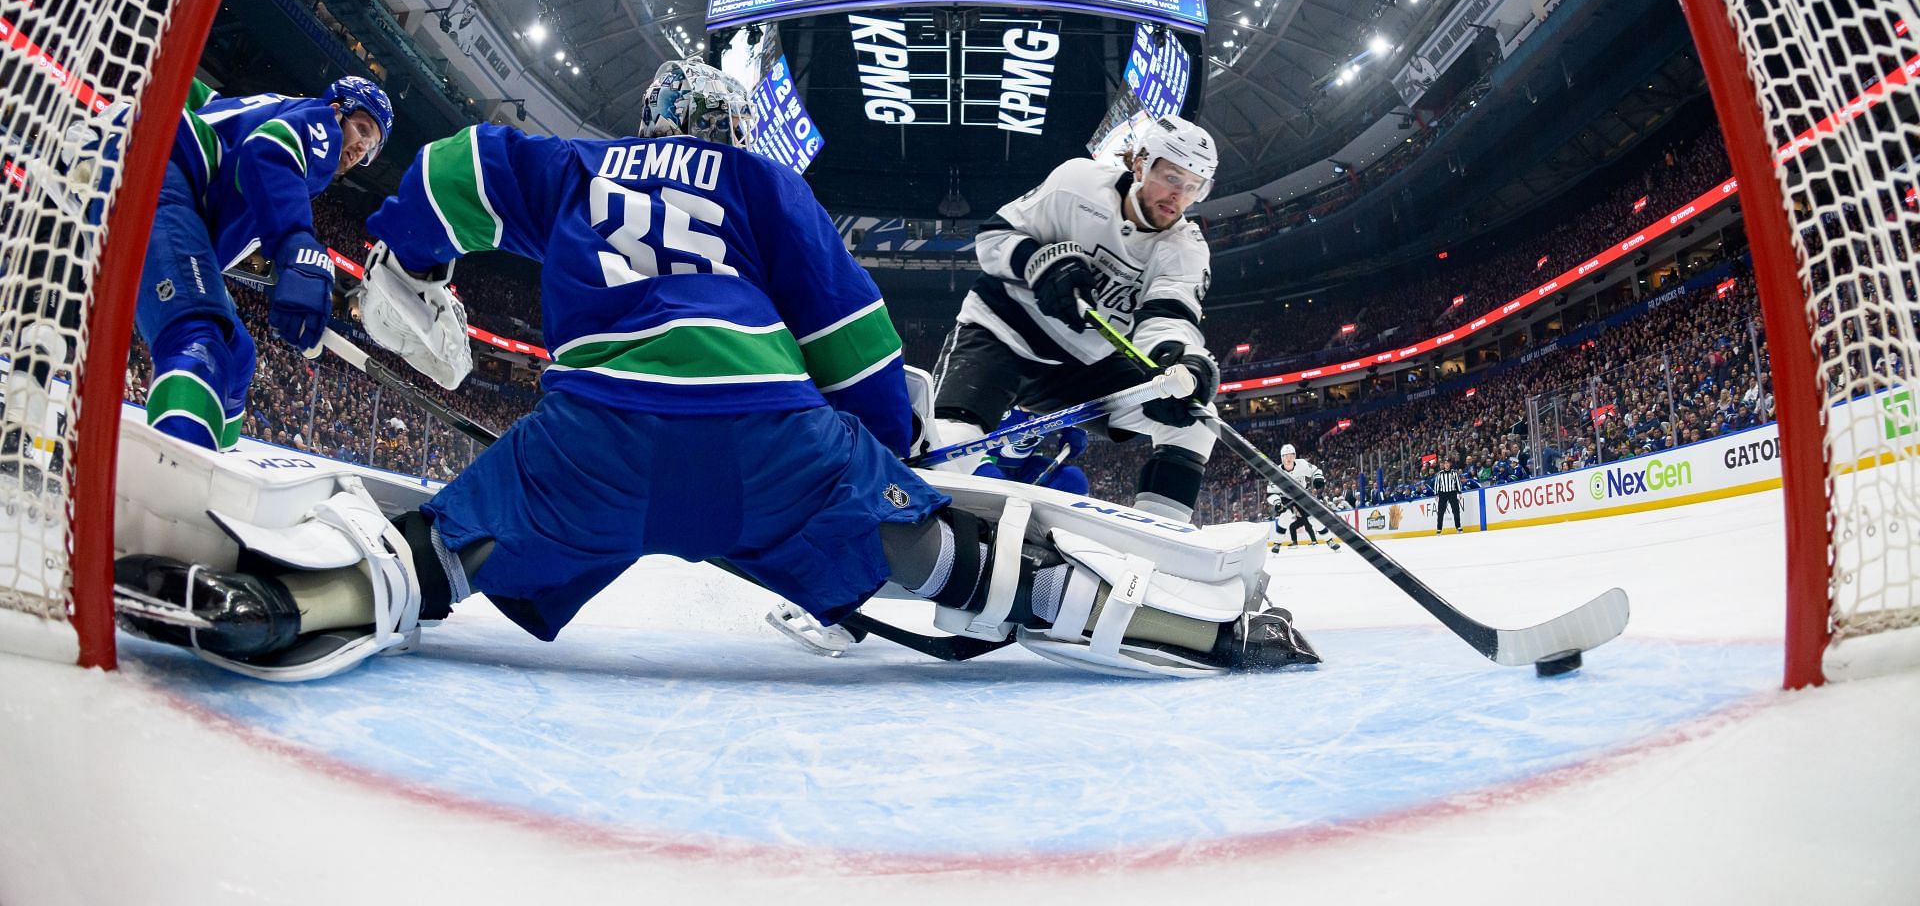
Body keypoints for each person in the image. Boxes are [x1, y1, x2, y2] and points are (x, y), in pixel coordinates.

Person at [116, 64, 1315, 681]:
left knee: (448, 547)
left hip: (594, 441)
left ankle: (301, 603)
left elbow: (442, 182)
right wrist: (889, 453)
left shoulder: (577, 163)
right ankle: (1198, 631)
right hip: (771, 445)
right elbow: (852, 346)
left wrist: (414, 272)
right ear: (732, 131)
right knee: (954, 557)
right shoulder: (760, 185)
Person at [929, 117, 1223, 522]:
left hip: (1083, 367)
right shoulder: (1077, 182)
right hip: (1000, 336)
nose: (1179, 196)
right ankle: (943, 536)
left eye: (1194, 187)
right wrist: (1039, 262)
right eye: (1172, 177)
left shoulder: (1185, 248)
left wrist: (1180, 360)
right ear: (1139, 163)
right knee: (951, 443)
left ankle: (1157, 539)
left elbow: (1169, 318)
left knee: (1194, 420)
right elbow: (992, 239)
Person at [135, 76, 391, 451]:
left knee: (238, 353)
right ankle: (171, 478)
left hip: (162, 172)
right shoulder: (322, 122)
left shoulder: (279, 112)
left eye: (370, 148)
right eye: (363, 130)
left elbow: (201, 97)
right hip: (159, 170)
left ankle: (215, 456)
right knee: (199, 339)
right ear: (339, 110)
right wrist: (298, 245)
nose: (359, 150)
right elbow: (267, 152)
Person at [1266, 443, 1332, 549]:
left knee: (1313, 516)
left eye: (1291, 455)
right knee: (1285, 516)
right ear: (1282, 458)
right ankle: (1277, 543)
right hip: (1285, 497)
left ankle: (1329, 540)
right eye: (1286, 455)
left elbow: (1315, 470)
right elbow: (1270, 493)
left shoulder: (1302, 464)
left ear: (1295, 455)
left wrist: (1318, 477)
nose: (1289, 458)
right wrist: (1277, 502)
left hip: (1301, 493)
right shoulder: (1276, 473)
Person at [1434, 452, 1466, 533]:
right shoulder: (1440, 474)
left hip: (1452, 493)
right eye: (1445, 463)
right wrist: (1436, 494)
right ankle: (1439, 528)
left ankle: (1458, 527)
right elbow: (1437, 484)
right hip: (1443, 494)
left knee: (1456, 510)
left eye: (1448, 463)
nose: (1447, 464)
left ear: (1450, 464)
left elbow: (1458, 483)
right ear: (1444, 465)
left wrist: (1459, 492)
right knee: (1441, 511)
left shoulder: (1454, 473)